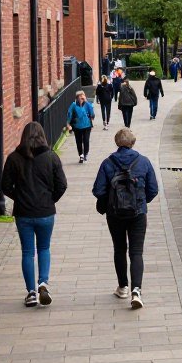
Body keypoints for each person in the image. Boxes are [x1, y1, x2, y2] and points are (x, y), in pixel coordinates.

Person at [1, 121, 67, 307]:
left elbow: (5, 187)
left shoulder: (14, 158)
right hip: (45, 211)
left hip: (24, 213)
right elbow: (62, 184)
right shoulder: (51, 157)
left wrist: (19, 197)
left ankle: (31, 292)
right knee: (44, 248)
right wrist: (50, 199)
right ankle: (43, 283)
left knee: (28, 252)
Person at [91, 128, 158, 309]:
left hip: (115, 214)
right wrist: (141, 202)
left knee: (119, 249)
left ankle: (123, 287)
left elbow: (98, 190)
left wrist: (111, 201)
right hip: (138, 214)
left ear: (117, 142)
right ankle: (137, 290)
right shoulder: (143, 162)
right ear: (133, 142)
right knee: (136, 252)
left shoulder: (107, 163)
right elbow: (153, 189)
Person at [66, 90, 96, 163]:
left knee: (86, 140)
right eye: (80, 96)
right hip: (77, 126)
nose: (82, 97)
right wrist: (68, 124)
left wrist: (86, 102)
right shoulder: (74, 105)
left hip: (87, 126)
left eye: (83, 95)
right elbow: (69, 114)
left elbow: (92, 113)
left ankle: (85, 154)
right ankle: (81, 155)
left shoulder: (87, 104)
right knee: (78, 141)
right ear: (77, 98)